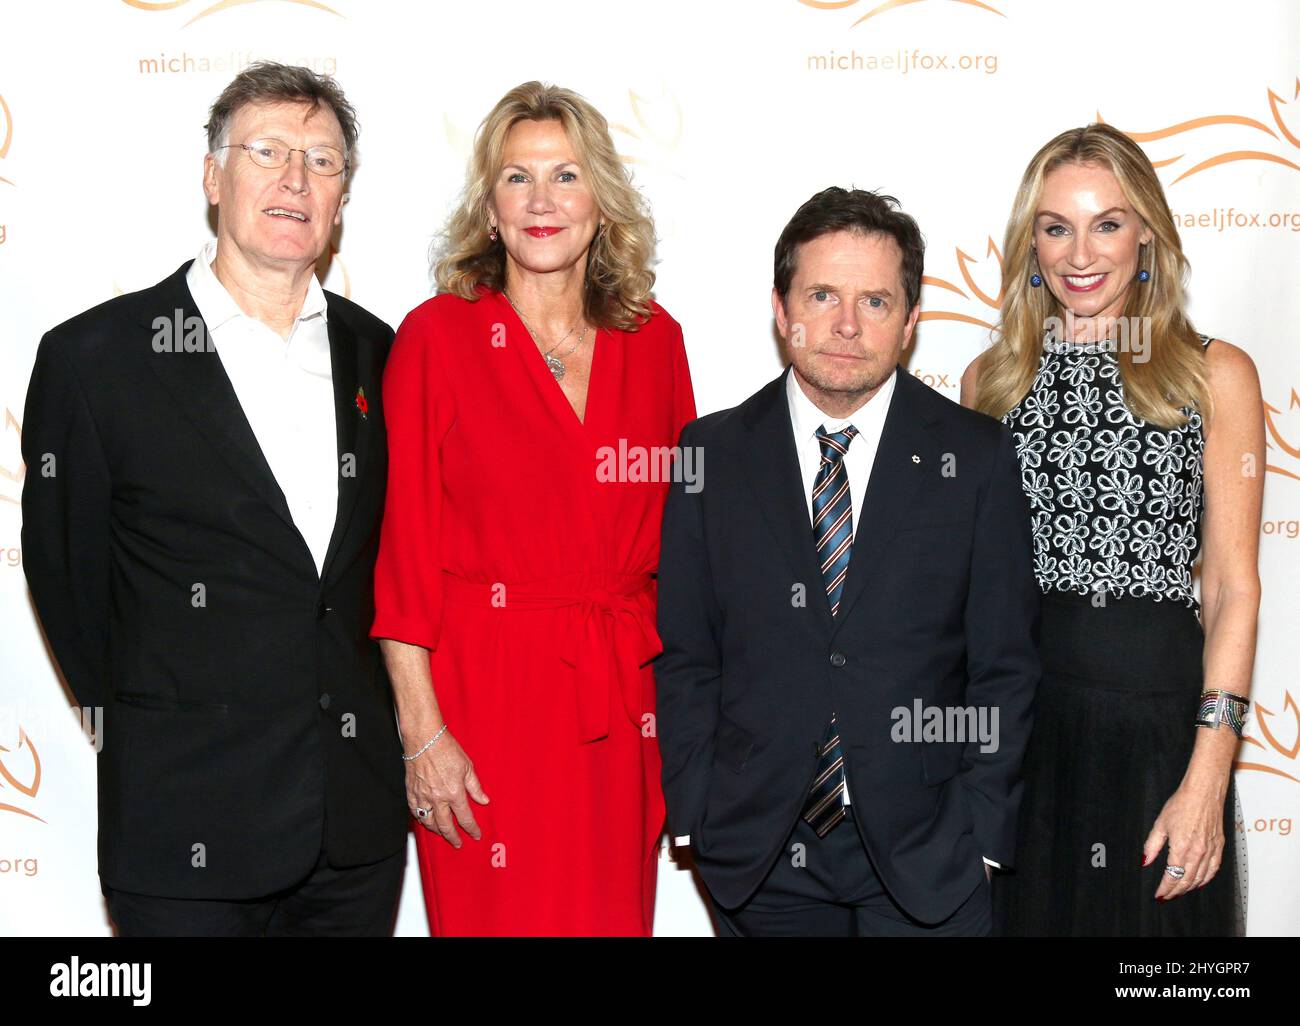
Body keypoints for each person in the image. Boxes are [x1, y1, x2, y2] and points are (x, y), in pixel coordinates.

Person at [20, 62, 407, 936]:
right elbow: (68, 579)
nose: (294, 178)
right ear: (212, 176)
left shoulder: (385, 357)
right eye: (266, 150)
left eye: (322, 159)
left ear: (343, 197)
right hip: (180, 823)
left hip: (354, 831)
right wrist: (160, 723)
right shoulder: (96, 360)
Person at [655, 187, 1039, 937]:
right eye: (823, 294)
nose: (845, 325)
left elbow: (1006, 664)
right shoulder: (709, 455)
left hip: (930, 849)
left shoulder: (977, 456)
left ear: (911, 321)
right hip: (761, 849)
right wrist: (698, 810)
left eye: (876, 300)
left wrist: (982, 831)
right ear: (781, 307)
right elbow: (688, 655)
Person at [371, 81, 696, 936]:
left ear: (603, 201)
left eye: (566, 175)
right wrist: (422, 736)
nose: (542, 202)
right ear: (489, 208)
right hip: (483, 712)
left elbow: (689, 554)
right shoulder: (436, 340)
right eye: (518, 179)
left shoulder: (655, 340)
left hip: (622, 706)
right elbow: (402, 560)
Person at [961, 123, 1262, 936]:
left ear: (1147, 238)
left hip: (1157, 731)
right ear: (1031, 243)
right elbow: (972, 593)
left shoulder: (1213, 373)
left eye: (1107, 223)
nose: (1079, 253)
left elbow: (1233, 587)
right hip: (1026, 737)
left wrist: (1209, 772)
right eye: (1055, 227)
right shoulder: (989, 383)